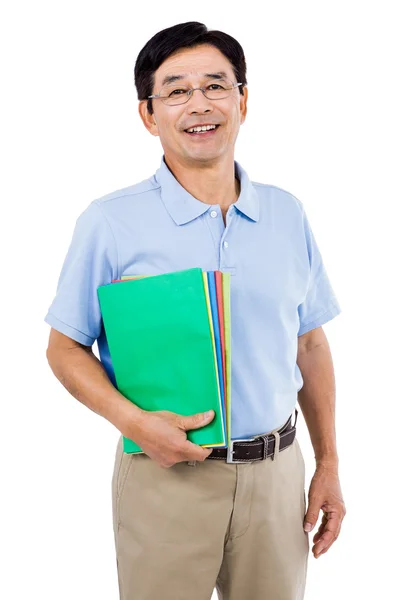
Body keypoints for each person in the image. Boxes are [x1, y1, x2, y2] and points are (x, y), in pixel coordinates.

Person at [44, 21, 346, 600]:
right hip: (165, 477)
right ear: (149, 116)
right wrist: (133, 423)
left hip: (278, 474)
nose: (199, 104)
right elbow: (63, 348)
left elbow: (309, 341)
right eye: (176, 90)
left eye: (216, 85)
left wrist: (328, 463)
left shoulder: (288, 214)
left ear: (244, 100)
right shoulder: (110, 222)